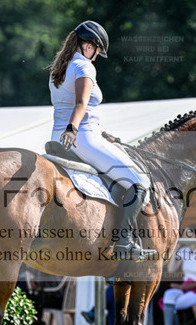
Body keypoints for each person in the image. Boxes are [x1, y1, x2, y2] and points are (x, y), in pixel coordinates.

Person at [49, 21, 154, 260]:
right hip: (81, 137)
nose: (96, 57)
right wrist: (73, 128)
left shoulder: (60, 67)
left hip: (59, 136)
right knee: (140, 182)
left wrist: (102, 132)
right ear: (88, 46)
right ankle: (124, 242)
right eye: (97, 51)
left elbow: (68, 105)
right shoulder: (84, 66)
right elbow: (80, 104)